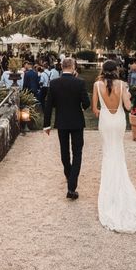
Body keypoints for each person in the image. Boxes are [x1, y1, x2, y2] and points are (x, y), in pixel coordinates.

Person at [91, 60, 136, 233]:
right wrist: (129, 96)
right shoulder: (123, 85)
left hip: (106, 121)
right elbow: (128, 107)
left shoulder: (96, 85)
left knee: (109, 153)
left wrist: (103, 112)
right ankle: (120, 184)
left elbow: (95, 109)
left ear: (102, 70)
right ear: (116, 70)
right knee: (118, 152)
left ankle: (109, 187)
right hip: (119, 122)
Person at [43, 58, 90, 201]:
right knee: (77, 153)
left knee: (64, 152)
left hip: (61, 122)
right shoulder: (79, 82)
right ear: (73, 67)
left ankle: (69, 177)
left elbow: (48, 105)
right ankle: (71, 186)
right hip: (77, 123)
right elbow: (86, 104)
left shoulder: (54, 83)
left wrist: (46, 124)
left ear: (62, 67)